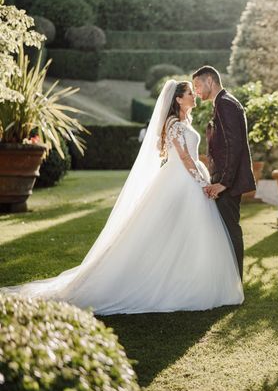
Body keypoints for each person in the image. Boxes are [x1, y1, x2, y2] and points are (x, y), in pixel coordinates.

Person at [1, 80, 243, 315]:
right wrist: (203, 183)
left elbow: (191, 156)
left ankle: (189, 278)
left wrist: (203, 175)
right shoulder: (174, 124)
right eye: (190, 92)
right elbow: (184, 158)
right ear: (178, 99)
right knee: (169, 231)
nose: (194, 95)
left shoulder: (184, 121)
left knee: (183, 231)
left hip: (188, 180)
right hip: (181, 181)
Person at [192, 66, 256, 280]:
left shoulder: (225, 104)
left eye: (198, 85)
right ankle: (228, 278)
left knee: (230, 230)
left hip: (228, 182)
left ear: (210, 80)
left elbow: (233, 145)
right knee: (226, 230)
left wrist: (223, 183)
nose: (196, 91)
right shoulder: (223, 102)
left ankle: (234, 280)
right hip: (223, 179)